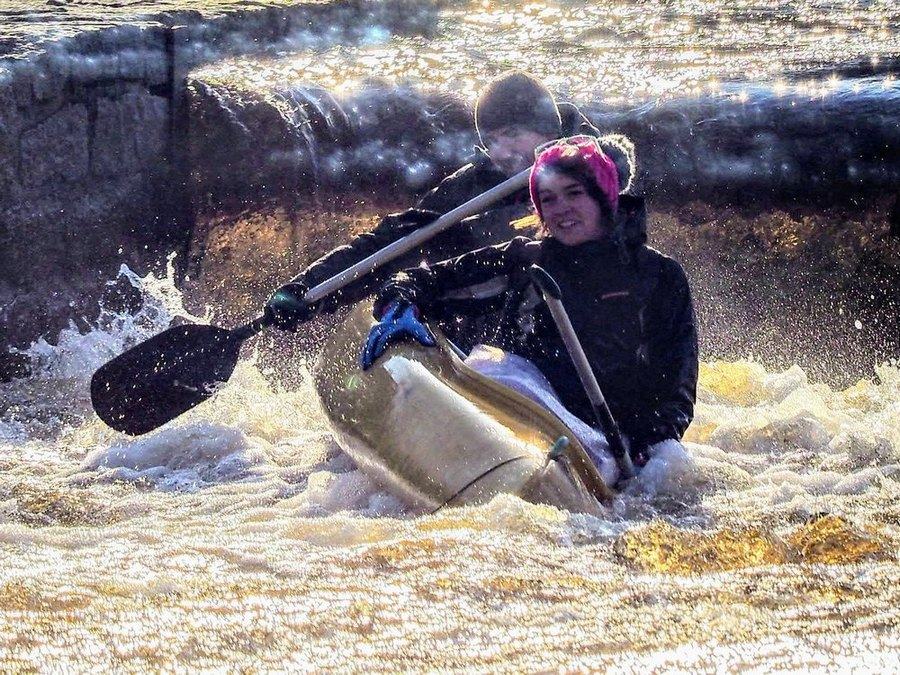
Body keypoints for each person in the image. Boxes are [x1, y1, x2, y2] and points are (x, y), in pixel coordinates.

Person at [360, 135, 698, 475]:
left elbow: (678, 376)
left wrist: (656, 435)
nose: (561, 208)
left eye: (574, 193)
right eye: (548, 199)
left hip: (621, 438)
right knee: (497, 371)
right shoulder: (524, 259)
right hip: (526, 414)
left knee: (671, 465)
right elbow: (421, 281)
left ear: (603, 197)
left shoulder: (660, 275)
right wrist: (399, 305)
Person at [265, 71, 632, 352]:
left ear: (547, 128)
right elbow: (396, 239)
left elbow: (628, 241)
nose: (502, 152)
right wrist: (307, 290)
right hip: (496, 327)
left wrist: (611, 173)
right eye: (491, 141)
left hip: (586, 324)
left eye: (513, 133)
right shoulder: (475, 183)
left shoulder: (598, 167)